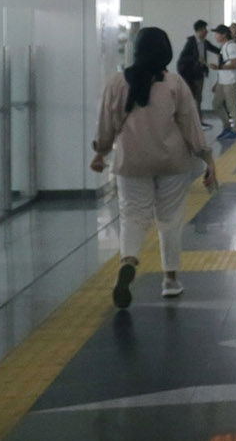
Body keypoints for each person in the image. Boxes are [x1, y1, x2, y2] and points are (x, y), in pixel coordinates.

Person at [91, 27, 218, 308]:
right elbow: (191, 127)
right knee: (170, 219)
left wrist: (100, 153)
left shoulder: (116, 83)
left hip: (131, 162)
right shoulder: (174, 84)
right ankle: (170, 279)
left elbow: (106, 124)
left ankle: (128, 262)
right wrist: (208, 160)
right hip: (172, 162)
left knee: (133, 216)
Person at [210, 24, 236, 137]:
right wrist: (217, 82)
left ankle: (235, 130)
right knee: (216, 104)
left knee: (231, 106)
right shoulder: (224, 47)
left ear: (224, 35)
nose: (216, 36)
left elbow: (235, 63)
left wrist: (218, 67)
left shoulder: (231, 46)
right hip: (223, 81)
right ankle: (227, 126)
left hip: (230, 81)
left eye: (217, 34)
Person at [176, 19, 210, 118]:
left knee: (198, 98)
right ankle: (196, 121)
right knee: (193, 98)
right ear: (199, 30)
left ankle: (199, 121)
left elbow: (216, 50)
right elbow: (183, 58)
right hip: (191, 75)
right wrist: (197, 58)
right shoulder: (191, 42)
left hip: (200, 73)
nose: (207, 32)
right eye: (205, 29)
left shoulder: (205, 42)